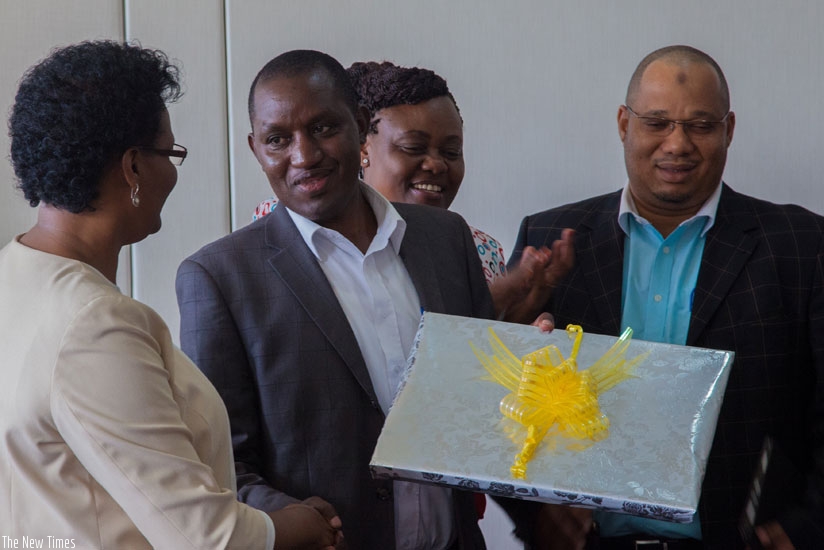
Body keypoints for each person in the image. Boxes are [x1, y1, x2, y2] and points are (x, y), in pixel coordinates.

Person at [176, 49, 543, 549]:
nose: (304, 155)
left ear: (361, 125)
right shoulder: (219, 278)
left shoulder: (447, 239)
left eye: (324, 128)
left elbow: (484, 410)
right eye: (278, 139)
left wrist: (534, 374)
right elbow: (218, 464)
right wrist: (285, 515)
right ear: (255, 148)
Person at [0, 40, 341, 550]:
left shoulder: (12, 276)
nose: (173, 172)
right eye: (171, 154)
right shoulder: (94, 323)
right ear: (133, 167)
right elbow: (205, 537)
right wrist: (299, 526)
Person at [509, 45, 824, 549]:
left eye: (700, 125)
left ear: (729, 129)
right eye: (657, 123)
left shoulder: (802, 245)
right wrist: (534, 512)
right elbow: (502, 397)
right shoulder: (550, 239)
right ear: (623, 124)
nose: (677, 144)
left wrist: (807, 529)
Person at [252, 60, 574, 325]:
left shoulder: (478, 248)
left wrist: (521, 316)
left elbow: (468, 358)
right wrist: (496, 300)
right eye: (413, 148)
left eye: (451, 152)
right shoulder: (289, 228)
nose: (435, 165)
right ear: (362, 144)